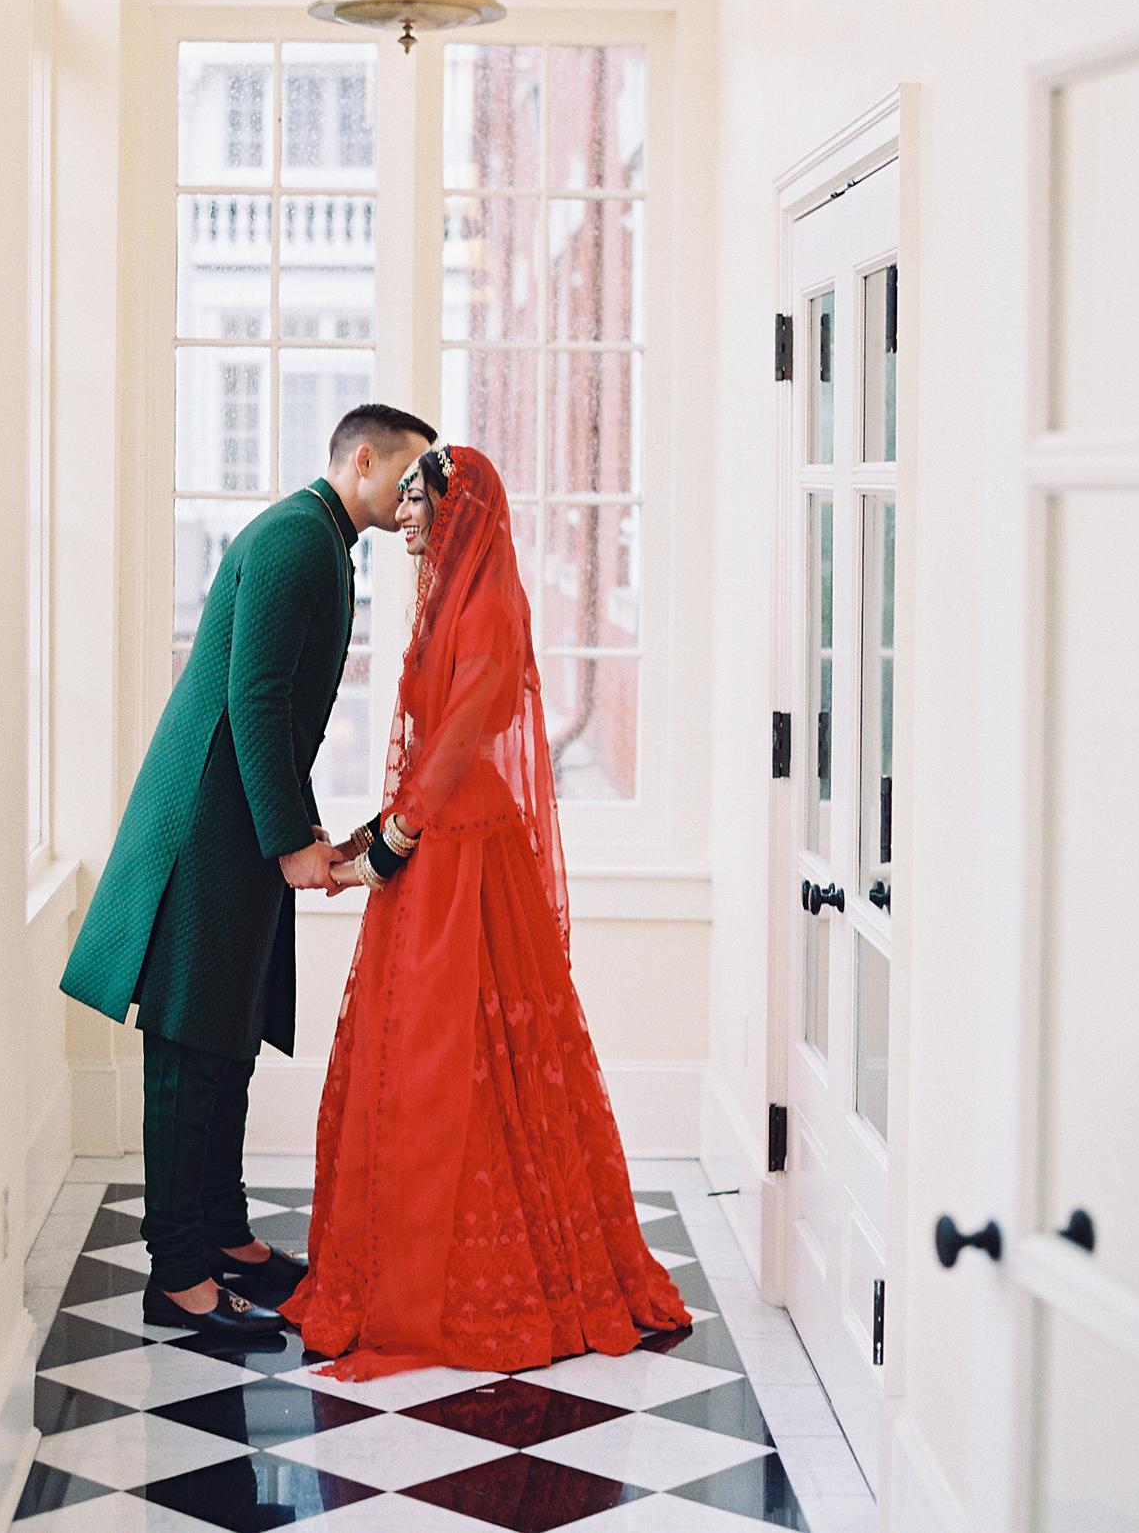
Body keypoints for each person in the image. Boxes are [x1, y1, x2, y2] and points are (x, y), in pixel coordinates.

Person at [282, 444, 689, 1376]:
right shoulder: (447, 599)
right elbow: (435, 745)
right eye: (410, 502)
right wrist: (374, 834)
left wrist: (390, 844)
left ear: (460, 513)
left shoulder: (491, 607)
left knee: (457, 1058)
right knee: (418, 1056)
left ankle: (471, 1278)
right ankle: (403, 1263)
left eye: (421, 503)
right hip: (438, 849)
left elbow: (462, 737)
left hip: (461, 860)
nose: (409, 518)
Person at [59, 403, 436, 1339]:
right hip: (205, 831)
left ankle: (223, 1236)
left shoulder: (320, 539)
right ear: (361, 459)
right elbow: (254, 696)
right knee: (189, 1053)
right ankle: (178, 1273)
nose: (417, 494)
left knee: (225, 1041)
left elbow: (272, 707)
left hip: (234, 826)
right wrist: (290, 843)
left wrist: (293, 826)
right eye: (409, 475)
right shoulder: (295, 541)